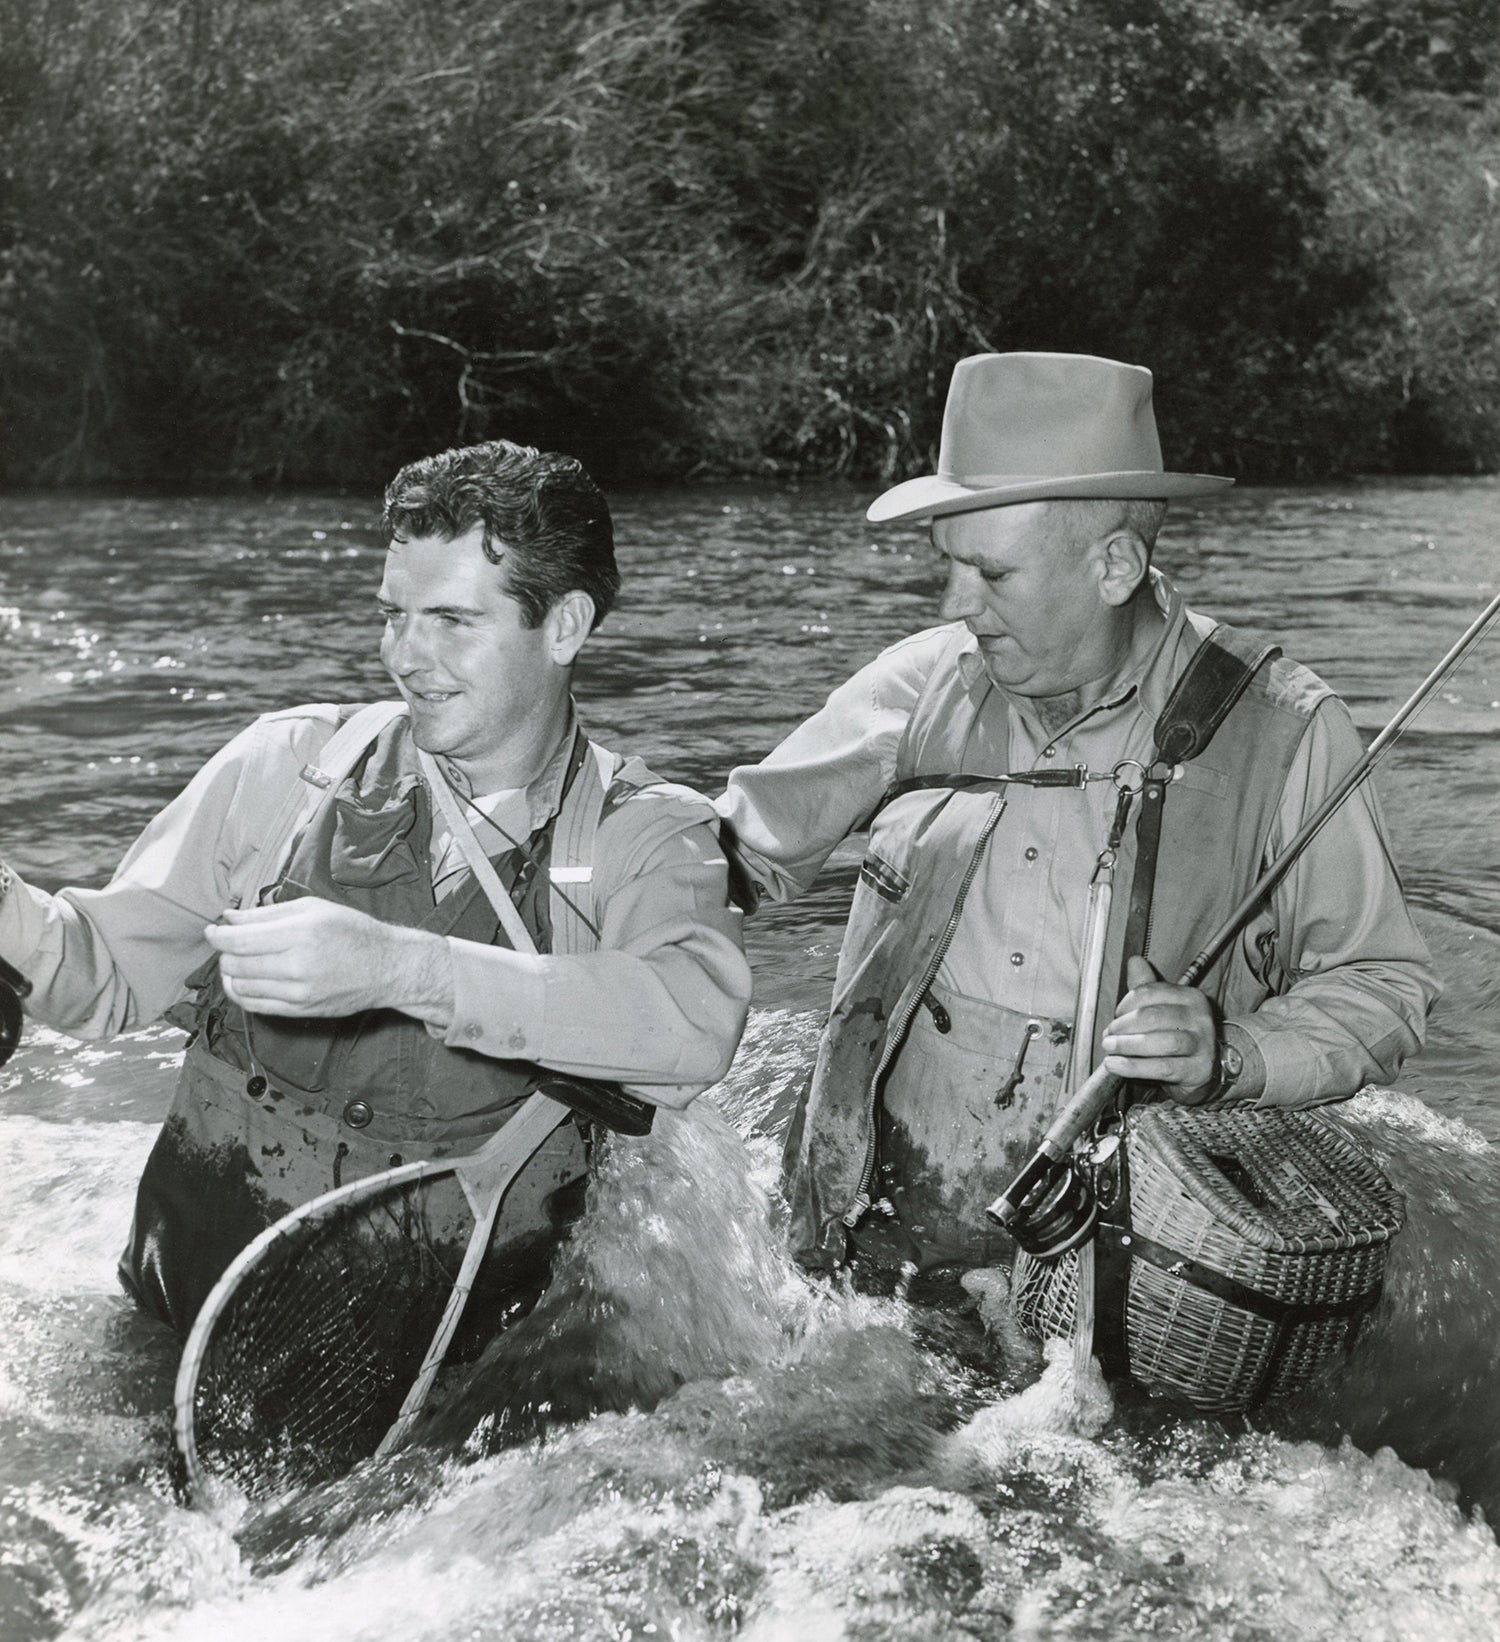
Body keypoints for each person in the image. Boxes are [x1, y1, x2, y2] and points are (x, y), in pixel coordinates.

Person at [0, 440, 752, 1337]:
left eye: (451, 621)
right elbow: (99, 976)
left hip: (446, 1379)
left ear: (565, 626)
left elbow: (693, 1023)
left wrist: (399, 970)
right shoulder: (288, 764)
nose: (405, 655)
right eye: (393, 614)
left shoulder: (646, 833)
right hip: (175, 1324)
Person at [718, 351, 1439, 1283]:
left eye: (992, 573)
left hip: (1122, 1285)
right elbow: (730, 855)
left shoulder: (1286, 731)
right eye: (948, 566)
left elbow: (1383, 985)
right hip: (868, 1264)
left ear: (1115, 566)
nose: (956, 605)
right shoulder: (920, 683)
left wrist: (1228, 1052)